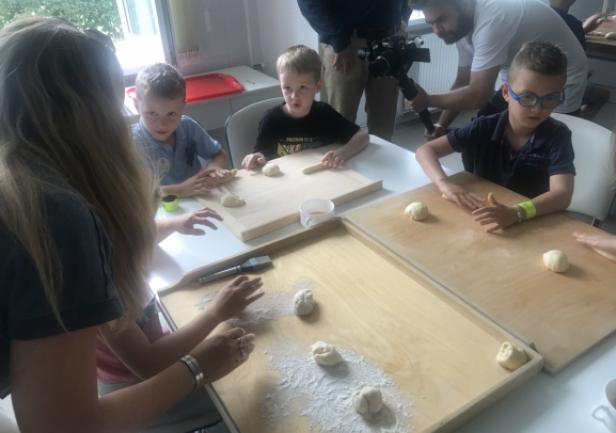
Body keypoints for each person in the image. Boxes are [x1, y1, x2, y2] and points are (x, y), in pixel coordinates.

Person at [0, 16, 256, 433]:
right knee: (249, 398)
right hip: (117, 397)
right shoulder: (54, 216)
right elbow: (64, 425)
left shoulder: (35, 186)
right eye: (116, 105)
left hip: (89, 385)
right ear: (90, 115)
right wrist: (197, 366)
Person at [416, 41, 575, 232]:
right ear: (506, 92)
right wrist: (444, 184)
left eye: (550, 99)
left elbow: (562, 194)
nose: (537, 108)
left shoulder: (557, 136)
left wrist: (517, 212)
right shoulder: (485, 126)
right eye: (527, 97)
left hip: (532, 221)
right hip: (482, 215)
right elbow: (425, 151)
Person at [409, 0, 588, 137]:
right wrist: (441, 125)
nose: (437, 31)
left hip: (561, 76)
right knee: (484, 132)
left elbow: (478, 94)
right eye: (430, 23)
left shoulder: (494, 16)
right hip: (519, 74)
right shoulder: (461, 26)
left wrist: (428, 100)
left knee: (547, 140)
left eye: (441, 20)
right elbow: (463, 81)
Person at [297, 0, 410, 141]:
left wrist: (404, 16)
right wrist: (339, 41)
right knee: (340, 123)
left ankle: (380, 156)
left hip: (390, 40)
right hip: (346, 45)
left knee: (384, 124)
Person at [242, 45, 369, 170]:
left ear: (317, 87)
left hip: (322, 176)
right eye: (287, 88)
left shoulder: (325, 114)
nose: (294, 96)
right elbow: (261, 154)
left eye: (302, 87)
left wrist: (342, 153)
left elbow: (362, 136)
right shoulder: (271, 120)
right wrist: (256, 158)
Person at [133, 63, 233, 198]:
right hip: (160, 207)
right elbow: (135, 192)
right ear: (136, 106)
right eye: (152, 114)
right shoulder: (132, 144)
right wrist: (179, 190)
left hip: (198, 199)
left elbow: (220, 154)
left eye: (171, 114)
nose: (162, 124)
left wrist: (214, 167)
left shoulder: (188, 126)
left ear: (182, 108)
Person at [549, 0, 611, 116]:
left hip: (541, 84)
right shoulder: (572, 23)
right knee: (604, 93)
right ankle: (580, 120)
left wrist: (583, 29)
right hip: (563, 92)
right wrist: (581, 29)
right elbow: (578, 59)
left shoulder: (541, 15)